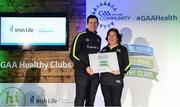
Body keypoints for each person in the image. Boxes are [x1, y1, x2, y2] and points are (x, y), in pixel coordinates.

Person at [70, 15, 101, 106]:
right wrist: (86, 67)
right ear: (87, 24)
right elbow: (73, 55)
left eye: (95, 22)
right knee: (80, 99)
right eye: (91, 22)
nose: (93, 24)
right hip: (82, 73)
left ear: (98, 24)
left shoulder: (98, 38)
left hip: (95, 73)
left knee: (91, 101)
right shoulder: (80, 36)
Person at [100, 28, 131, 106]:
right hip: (104, 81)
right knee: (107, 104)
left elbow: (128, 64)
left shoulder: (123, 49)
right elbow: (100, 64)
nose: (111, 37)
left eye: (114, 35)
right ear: (107, 38)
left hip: (116, 81)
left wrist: (120, 71)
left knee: (116, 103)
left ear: (117, 37)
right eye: (109, 35)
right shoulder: (104, 49)